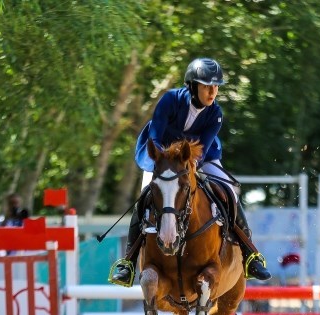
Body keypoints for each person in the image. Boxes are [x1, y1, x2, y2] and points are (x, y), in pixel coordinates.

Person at [109, 57, 271, 287]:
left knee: (229, 192)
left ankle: (250, 254)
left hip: (198, 157)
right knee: (145, 196)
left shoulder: (215, 114)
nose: (212, 91)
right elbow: (155, 135)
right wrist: (164, 160)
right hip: (161, 156)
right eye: (207, 86)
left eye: (215, 86)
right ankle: (129, 262)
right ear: (193, 86)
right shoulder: (170, 100)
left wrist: (189, 166)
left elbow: (202, 148)